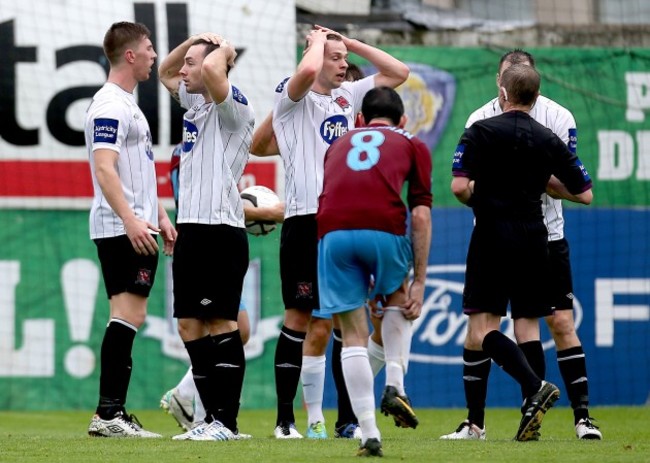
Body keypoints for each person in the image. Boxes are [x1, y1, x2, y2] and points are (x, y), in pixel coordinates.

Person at [250, 25, 409, 439]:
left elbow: (399, 72)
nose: (344, 66)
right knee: (298, 318)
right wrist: (316, 44)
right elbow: (304, 74)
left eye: (344, 59)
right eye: (335, 59)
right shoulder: (292, 93)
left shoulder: (347, 95)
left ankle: (347, 420)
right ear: (316, 56)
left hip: (338, 222)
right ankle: (286, 420)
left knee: (347, 319)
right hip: (303, 220)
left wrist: (350, 43)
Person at [441, 49, 603, 441]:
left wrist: (500, 186)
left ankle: (553, 405)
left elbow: (461, 186)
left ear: (506, 85)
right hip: (532, 235)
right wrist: (532, 177)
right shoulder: (526, 130)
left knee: (494, 328)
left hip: (519, 235)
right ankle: (481, 421)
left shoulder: (552, 120)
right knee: (525, 325)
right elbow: (584, 192)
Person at [317, 86, 432, 456]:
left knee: (352, 334)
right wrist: (420, 281)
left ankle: (367, 431)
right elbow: (420, 214)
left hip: (332, 232)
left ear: (361, 120)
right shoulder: (412, 143)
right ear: (403, 120)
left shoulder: (337, 145)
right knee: (398, 299)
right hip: (382, 228)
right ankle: (396, 384)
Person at [158, 32, 254, 441]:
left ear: (217, 67)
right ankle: (208, 420)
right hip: (192, 229)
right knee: (188, 327)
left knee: (221, 323)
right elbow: (164, 70)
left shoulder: (234, 106)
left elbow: (215, 67)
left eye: (192, 64)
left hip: (220, 229)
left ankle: (226, 424)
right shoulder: (195, 104)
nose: (184, 70)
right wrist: (193, 41)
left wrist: (223, 48)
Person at [85, 21, 177, 438]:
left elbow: (136, 172)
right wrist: (129, 219)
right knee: (128, 314)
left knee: (128, 314)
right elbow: (104, 168)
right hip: (121, 227)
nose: (155, 55)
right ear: (130, 55)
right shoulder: (109, 105)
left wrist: (158, 216)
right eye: (149, 47)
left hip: (136, 223)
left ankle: (110, 413)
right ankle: (109, 414)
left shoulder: (128, 104)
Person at [160, 144, 281, 431]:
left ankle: (197, 405)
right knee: (215, 326)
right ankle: (210, 416)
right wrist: (269, 213)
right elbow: (215, 200)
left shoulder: (214, 147)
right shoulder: (193, 152)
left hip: (212, 237)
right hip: (205, 239)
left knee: (238, 329)